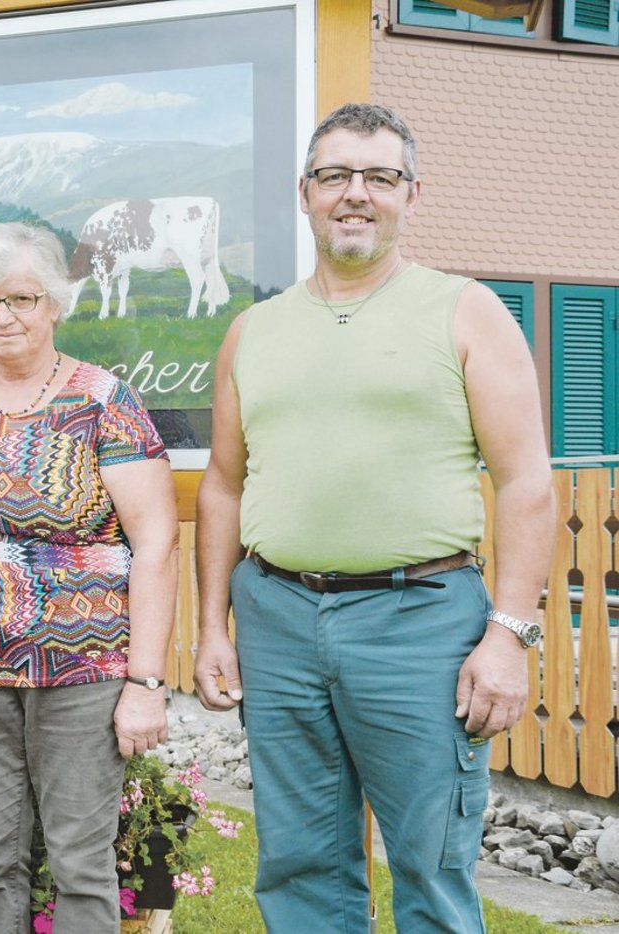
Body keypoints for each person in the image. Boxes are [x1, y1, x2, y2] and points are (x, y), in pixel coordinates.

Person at [194, 103, 555, 933]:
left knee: (431, 864)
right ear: (305, 193)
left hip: (420, 621)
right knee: (299, 864)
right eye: (335, 176)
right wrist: (214, 626)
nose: (355, 194)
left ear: (410, 195)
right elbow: (222, 484)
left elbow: (526, 482)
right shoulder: (252, 331)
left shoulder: (465, 311)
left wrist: (508, 635)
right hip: (277, 619)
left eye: (379, 177)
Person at [0, 221, 180, 933]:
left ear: (55, 303)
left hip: (85, 671)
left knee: (82, 863)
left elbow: (158, 542)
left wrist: (145, 684)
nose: (3, 317)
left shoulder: (104, 401)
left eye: (21, 298)